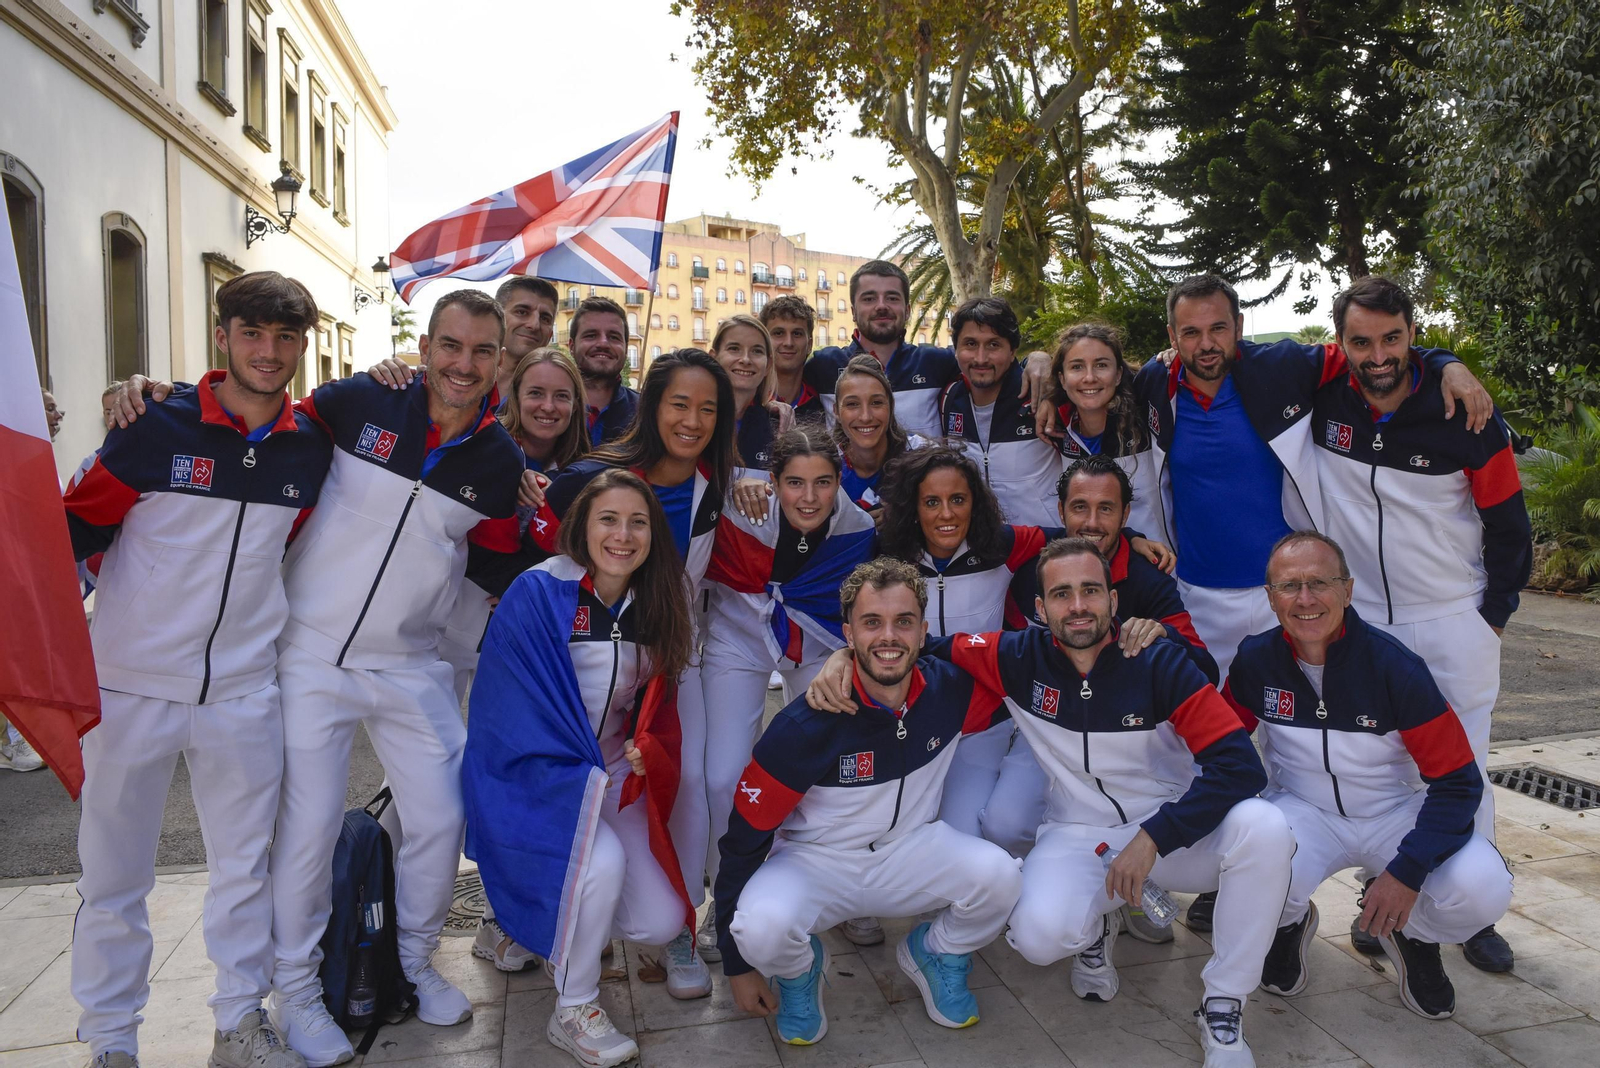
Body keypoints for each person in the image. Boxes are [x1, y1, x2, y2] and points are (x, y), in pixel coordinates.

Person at [812, 538, 1294, 1067]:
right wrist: (841, 655)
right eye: (1062, 594)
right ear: (1040, 610)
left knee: (1267, 828)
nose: (1078, 605)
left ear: (1114, 600)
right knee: (1040, 939)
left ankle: (1223, 1002)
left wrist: (1154, 837)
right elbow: (918, 645)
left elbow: (1240, 767)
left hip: (1173, 830)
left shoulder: (1159, 661)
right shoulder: (1016, 655)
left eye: (1091, 591)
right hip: (1082, 834)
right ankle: (1098, 922)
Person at [60, 271, 332, 1068]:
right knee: (113, 876)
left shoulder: (310, 446)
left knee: (245, 871)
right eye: (253, 333)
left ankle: (238, 1024)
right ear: (223, 336)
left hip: (243, 693)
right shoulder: (151, 426)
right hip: (129, 687)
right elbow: (72, 536)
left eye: (285, 338)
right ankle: (112, 1040)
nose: (269, 352)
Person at [260, 289, 526, 1065]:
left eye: (481, 351)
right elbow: (267, 419)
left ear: (499, 360)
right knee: (307, 832)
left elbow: (507, 551)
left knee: (443, 818)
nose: (462, 365)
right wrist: (152, 398)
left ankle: (410, 965)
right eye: (450, 346)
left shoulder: (498, 459)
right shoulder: (363, 399)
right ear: (425, 343)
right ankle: (298, 991)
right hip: (311, 652)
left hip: (412, 662)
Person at [1312, 275, 1531, 971]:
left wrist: (1489, 618)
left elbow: (1510, 530)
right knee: (1383, 766)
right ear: (1340, 342)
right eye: (1361, 340)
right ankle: (1382, 903)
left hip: (1452, 617)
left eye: (1393, 338)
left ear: (1413, 333)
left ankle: (1475, 917)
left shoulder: (1465, 416)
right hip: (1365, 619)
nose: (1377, 355)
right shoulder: (1323, 401)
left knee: (1463, 764)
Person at [715, 558, 1023, 1046]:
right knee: (759, 930)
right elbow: (741, 844)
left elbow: (1039, 659)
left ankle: (936, 952)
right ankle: (799, 972)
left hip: (912, 851)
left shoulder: (952, 689)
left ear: (923, 631)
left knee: (1002, 877)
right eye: (871, 623)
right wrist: (737, 966)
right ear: (848, 633)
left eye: (903, 622)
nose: (888, 636)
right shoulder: (802, 726)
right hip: (816, 864)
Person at [463, 470, 696, 1067]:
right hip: (538, 771)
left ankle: (540, 924)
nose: (623, 534)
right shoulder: (539, 592)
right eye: (609, 520)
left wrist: (649, 746)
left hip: (612, 768)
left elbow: (657, 707)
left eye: (638, 521)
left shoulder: (658, 600)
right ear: (581, 527)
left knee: (658, 918)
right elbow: (503, 703)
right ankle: (574, 1005)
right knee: (600, 866)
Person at [1226, 532, 1511, 1019]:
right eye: (1289, 586)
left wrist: (1406, 872)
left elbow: (1459, 782)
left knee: (1481, 889)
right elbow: (1221, 749)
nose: (1306, 599)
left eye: (1320, 582)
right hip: (1302, 809)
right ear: (1270, 598)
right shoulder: (1256, 659)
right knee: (1240, 879)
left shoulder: (1394, 666)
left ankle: (1413, 934)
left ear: (1348, 590)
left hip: (1393, 812)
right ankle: (1289, 924)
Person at [533, 347, 739, 1000]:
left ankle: (678, 922)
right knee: (597, 789)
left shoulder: (717, 484)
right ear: (651, 405)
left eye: (708, 408)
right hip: (604, 666)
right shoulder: (600, 477)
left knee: (693, 783)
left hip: (678, 664)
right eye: (679, 403)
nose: (692, 419)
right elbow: (544, 552)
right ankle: (551, 915)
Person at [695, 427, 878, 959]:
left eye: (823, 482)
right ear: (771, 481)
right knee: (722, 773)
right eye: (794, 482)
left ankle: (840, 888)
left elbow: (855, 607)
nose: (809, 497)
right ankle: (724, 898)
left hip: (818, 640)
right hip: (738, 637)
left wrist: (846, 656)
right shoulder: (738, 507)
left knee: (833, 762)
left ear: (839, 480)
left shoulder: (858, 527)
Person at [441, 347, 589, 707]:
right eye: (536, 393)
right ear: (516, 395)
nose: (548, 406)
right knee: (429, 756)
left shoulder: (585, 473)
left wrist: (525, 587)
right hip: (447, 627)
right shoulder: (480, 446)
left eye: (561, 396)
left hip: (522, 635)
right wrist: (506, 481)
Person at [801, 260, 1057, 439]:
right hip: (849, 508)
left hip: (925, 509)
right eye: (869, 299)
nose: (881, 306)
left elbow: (991, 363)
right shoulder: (822, 367)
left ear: (908, 310)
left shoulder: (936, 363)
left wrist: (1038, 359)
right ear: (854, 311)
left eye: (892, 298)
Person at [940, 296, 1063, 526]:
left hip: (1046, 547)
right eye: (970, 344)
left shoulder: (1041, 394)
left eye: (993, 344)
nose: (980, 358)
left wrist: (1042, 358)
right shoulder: (948, 399)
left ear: (1012, 349)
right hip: (984, 551)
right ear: (955, 349)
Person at [1050, 322, 1158, 534]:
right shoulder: (1055, 428)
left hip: (1155, 562)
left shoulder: (1147, 419)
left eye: (1101, 365)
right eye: (1077, 367)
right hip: (1087, 562)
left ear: (1118, 374)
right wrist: (1034, 358)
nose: (1089, 377)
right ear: (1062, 379)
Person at [829, 355, 930, 517]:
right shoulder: (826, 465)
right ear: (836, 412)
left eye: (876, 402)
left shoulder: (921, 454)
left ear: (890, 406)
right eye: (852, 404)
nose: (865, 416)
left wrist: (904, 517)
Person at [709, 313, 783, 471]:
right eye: (734, 349)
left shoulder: (778, 426)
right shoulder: (696, 417)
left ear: (768, 365)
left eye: (756, 351)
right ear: (714, 358)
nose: (745, 359)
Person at [569, 296, 639, 447]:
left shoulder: (645, 414)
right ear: (571, 346)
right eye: (591, 335)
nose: (603, 343)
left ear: (626, 348)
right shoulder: (547, 408)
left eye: (613, 337)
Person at [492, 276, 558, 403]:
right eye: (522, 312)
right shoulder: (462, 378)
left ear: (550, 334)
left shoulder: (555, 398)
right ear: (496, 318)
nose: (534, 325)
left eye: (545, 318)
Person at [760, 294, 825, 421]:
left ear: (810, 345)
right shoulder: (748, 401)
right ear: (763, 342)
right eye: (778, 333)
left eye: (797, 333)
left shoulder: (821, 403)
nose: (788, 343)